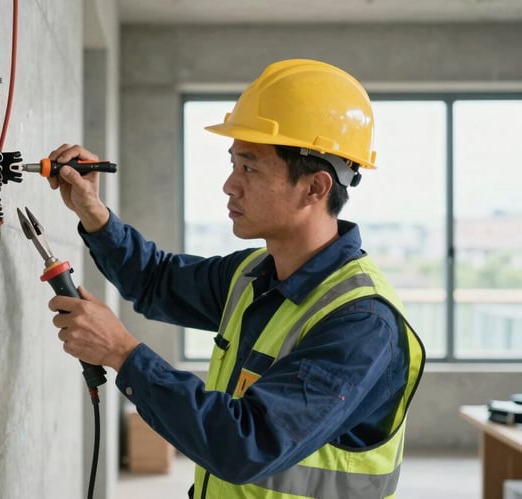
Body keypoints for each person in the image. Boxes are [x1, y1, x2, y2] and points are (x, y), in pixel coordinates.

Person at [46, 59, 425, 499]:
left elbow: (249, 444)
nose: (229, 184)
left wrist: (123, 353)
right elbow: (156, 280)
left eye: (249, 167)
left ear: (315, 188)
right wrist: (95, 214)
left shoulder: (360, 323)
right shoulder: (253, 274)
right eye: (234, 164)